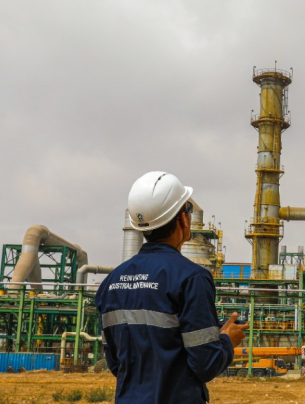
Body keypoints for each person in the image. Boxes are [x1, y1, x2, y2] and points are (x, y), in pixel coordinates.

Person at [96, 171, 247, 404]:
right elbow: (205, 364)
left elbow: (116, 363)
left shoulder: (111, 282)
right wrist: (227, 340)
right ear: (183, 219)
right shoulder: (191, 278)